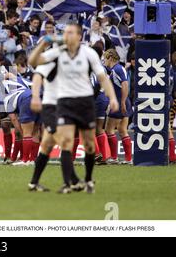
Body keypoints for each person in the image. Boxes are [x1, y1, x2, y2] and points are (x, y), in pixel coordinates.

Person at [29, 23, 119, 194]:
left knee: (86, 145)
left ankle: (84, 179)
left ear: (79, 36)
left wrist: (112, 97)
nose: (66, 35)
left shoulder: (88, 53)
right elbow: (35, 67)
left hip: (84, 104)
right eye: (65, 33)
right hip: (57, 104)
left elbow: (102, 77)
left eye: (70, 32)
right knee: (64, 142)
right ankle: (69, 183)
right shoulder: (56, 54)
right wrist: (43, 43)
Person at [104, 49, 133, 165]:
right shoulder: (119, 68)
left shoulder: (117, 69)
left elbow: (125, 85)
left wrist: (122, 102)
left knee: (109, 129)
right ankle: (128, 159)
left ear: (110, 58)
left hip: (120, 103)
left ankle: (114, 157)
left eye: (105, 58)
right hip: (125, 102)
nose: (104, 61)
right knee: (122, 130)